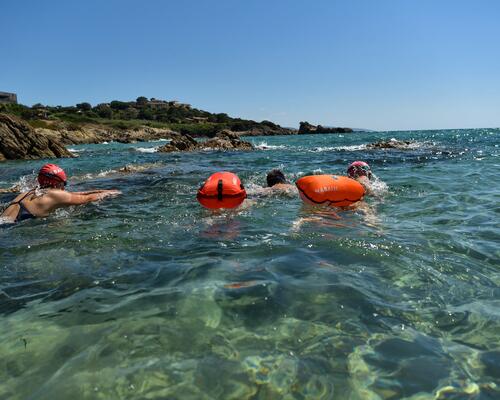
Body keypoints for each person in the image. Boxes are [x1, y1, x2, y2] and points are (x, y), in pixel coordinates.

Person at [0, 163, 121, 223]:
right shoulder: (55, 195)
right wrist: (111, 194)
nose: (65, 188)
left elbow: (77, 194)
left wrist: (104, 190)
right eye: (64, 184)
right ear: (57, 184)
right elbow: (88, 199)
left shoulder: (28, 193)